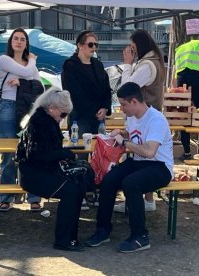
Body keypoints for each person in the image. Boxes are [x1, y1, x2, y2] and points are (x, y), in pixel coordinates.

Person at [85, 82, 173, 253]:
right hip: (139, 162)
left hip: (160, 167)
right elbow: (134, 134)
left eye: (124, 104)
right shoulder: (132, 116)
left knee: (131, 183)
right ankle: (103, 230)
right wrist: (121, 133)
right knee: (108, 179)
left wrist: (125, 142)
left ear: (134, 102)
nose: (122, 109)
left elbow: (149, 151)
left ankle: (140, 236)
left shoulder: (156, 120)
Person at [16, 88, 85, 252]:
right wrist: (64, 154)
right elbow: (37, 154)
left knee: (77, 188)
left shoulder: (43, 119)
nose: (64, 118)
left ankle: (71, 238)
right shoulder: (41, 122)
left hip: (38, 172)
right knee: (71, 191)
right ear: (52, 108)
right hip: (34, 175)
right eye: (63, 114)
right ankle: (64, 240)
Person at [114, 29, 166, 213]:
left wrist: (127, 65)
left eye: (133, 48)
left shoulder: (147, 66)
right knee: (145, 159)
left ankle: (140, 200)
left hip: (143, 116)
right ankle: (148, 199)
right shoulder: (156, 62)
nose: (131, 51)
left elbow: (127, 88)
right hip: (147, 115)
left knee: (141, 156)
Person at [61, 30, 112, 210]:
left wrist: (105, 108)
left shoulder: (98, 65)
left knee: (100, 155)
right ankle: (79, 193)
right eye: (90, 44)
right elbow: (73, 93)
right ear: (80, 46)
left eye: (96, 44)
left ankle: (96, 191)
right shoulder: (70, 65)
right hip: (80, 118)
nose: (93, 48)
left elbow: (107, 89)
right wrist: (94, 111)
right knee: (81, 155)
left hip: (98, 118)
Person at [0, 27, 43, 212]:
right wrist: (31, 59)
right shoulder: (4, 59)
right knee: (7, 153)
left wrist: (22, 82)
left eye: (23, 39)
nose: (19, 41)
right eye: (16, 38)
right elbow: (27, 72)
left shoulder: (31, 65)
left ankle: (33, 195)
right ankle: (6, 196)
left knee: (29, 151)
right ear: (10, 42)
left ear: (26, 43)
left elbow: (38, 86)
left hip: (27, 109)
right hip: (7, 106)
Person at [173, 38, 199, 161]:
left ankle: (186, 152)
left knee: (184, 115)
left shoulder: (179, 49)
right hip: (198, 79)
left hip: (181, 80)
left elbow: (173, 78)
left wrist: (176, 93)